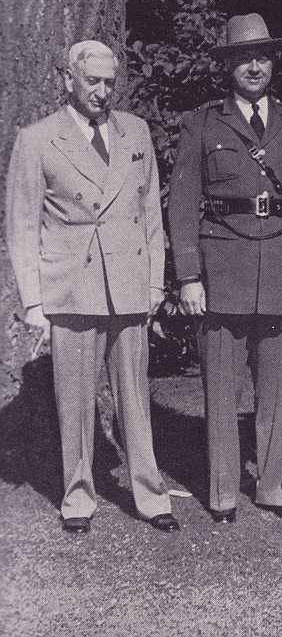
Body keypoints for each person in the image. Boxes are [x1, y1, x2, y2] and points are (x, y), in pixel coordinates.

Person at [5, 40, 178, 534]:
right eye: (92, 82)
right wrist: (35, 298)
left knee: (135, 396)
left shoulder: (136, 132)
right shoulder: (37, 140)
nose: (102, 92)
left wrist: (153, 284)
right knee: (75, 400)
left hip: (127, 281)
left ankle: (150, 494)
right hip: (71, 284)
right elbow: (21, 225)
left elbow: (150, 215)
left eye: (109, 82)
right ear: (68, 81)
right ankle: (78, 496)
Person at [169, 13, 282, 523]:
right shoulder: (202, 124)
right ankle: (222, 491)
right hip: (222, 267)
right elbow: (181, 204)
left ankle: (273, 485)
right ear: (228, 66)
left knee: (276, 387)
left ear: (273, 61)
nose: (254, 66)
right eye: (243, 58)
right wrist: (189, 275)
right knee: (221, 385)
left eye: (261, 57)